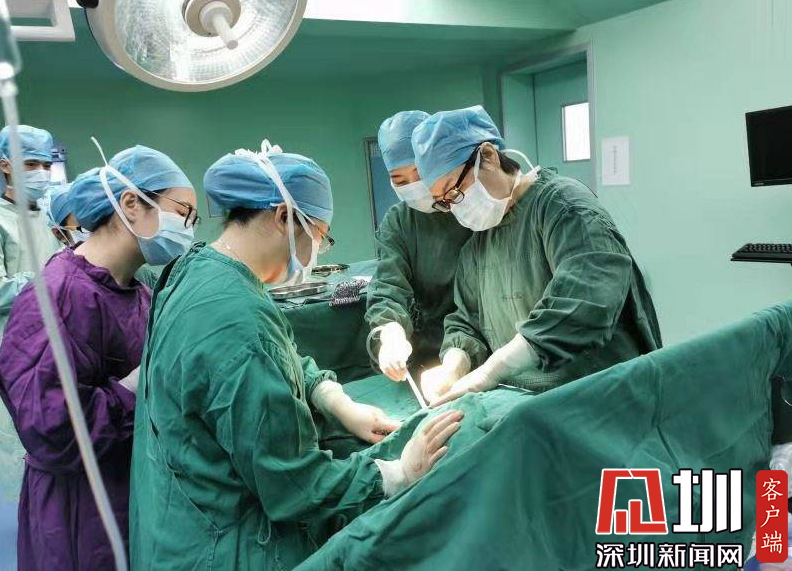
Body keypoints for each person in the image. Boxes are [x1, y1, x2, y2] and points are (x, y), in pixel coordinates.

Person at [130, 144, 463, 571]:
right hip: (224, 548)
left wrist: (334, 400)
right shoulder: (237, 318)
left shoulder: (197, 270)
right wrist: (397, 473)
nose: (317, 250)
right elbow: (293, 485)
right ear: (285, 217)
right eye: (320, 235)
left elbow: (275, 354)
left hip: (172, 521)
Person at [0, 144, 197, 571]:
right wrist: (136, 386)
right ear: (131, 204)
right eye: (183, 212)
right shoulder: (57, 296)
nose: (188, 228)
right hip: (78, 513)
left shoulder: (138, 293)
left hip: (130, 492)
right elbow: (52, 433)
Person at [412, 106, 662, 405]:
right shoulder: (476, 248)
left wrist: (494, 369)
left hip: (601, 397)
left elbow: (587, 300)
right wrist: (455, 363)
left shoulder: (564, 206)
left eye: (454, 190)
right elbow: (467, 321)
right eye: (444, 201)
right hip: (530, 404)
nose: (455, 206)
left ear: (488, 157)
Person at [365, 111, 472, 382]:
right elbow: (388, 286)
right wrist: (391, 333)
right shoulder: (399, 222)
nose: (414, 186)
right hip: (429, 353)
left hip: (487, 347)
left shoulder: (475, 206)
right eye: (399, 180)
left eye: (420, 172)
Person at [0, 125, 60, 340]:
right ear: (5, 165)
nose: (41, 172)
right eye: (31, 164)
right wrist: (52, 279)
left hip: (53, 336)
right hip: (12, 339)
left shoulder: (50, 217)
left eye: (47, 165)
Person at [45, 181, 161, 288]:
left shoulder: (135, 271)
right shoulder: (58, 283)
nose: (97, 231)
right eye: (84, 225)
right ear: (59, 234)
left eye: (100, 221)